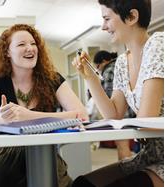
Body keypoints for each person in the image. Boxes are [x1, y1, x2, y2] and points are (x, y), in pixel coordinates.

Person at [0, 24, 88, 187]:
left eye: (33, 44)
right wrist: (2, 118)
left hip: (45, 152)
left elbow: (82, 114)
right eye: (21, 44)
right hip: (6, 154)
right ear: (7, 52)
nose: (30, 48)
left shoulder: (52, 79)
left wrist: (30, 116)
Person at [72, 0, 163, 187]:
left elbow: (147, 122)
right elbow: (114, 115)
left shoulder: (158, 45)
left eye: (107, 19)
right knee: (83, 184)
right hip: (151, 155)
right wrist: (90, 78)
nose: (103, 27)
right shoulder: (122, 62)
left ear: (131, 17)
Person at [94, 50, 137, 160]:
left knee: (122, 147)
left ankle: (126, 173)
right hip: (132, 111)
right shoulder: (121, 64)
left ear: (103, 61)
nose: (98, 69)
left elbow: (109, 98)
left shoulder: (108, 71)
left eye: (97, 66)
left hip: (121, 114)